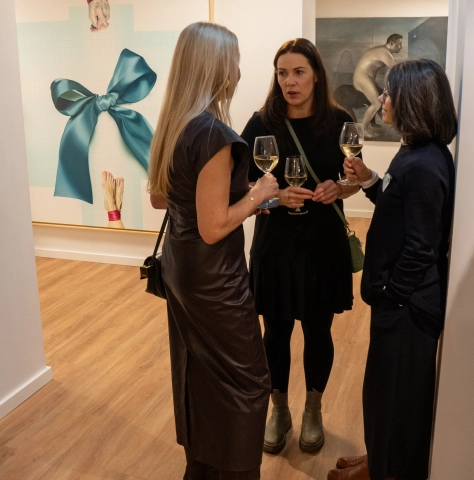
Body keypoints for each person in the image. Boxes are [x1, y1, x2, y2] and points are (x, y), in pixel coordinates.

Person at [148, 22, 279, 480]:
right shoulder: (212, 134)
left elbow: (161, 197)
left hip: (181, 268)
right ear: (219, 68)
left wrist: (233, 197)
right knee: (249, 381)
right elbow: (213, 227)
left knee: (199, 372)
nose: (239, 72)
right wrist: (257, 195)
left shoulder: (175, 125)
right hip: (214, 277)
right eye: (235, 62)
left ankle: (202, 467)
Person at [328, 58, 457, 480]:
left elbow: (421, 246)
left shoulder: (424, 164)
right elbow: (398, 211)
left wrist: (391, 295)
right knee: (386, 394)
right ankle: (377, 460)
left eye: (389, 92)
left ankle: (386, 470)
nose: (382, 98)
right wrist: (369, 179)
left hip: (408, 308)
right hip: (404, 305)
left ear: (412, 100)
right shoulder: (417, 153)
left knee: (397, 402)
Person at [241, 38, 359, 454]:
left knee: (317, 330)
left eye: (298, 72)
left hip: (322, 244)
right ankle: (279, 411)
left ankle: (312, 410)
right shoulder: (262, 123)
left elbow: (352, 180)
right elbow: (242, 187)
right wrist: (273, 198)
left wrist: (338, 189)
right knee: (275, 332)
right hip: (275, 245)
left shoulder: (340, 120)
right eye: (282, 73)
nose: (289, 82)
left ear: (316, 75)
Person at [353, 34, 402, 138]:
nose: (401, 47)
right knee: (376, 103)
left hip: (367, 79)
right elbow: (396, 69)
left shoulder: (384, 51)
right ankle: (363, 129)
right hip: (362, 78)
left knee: (382, 99)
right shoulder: (384, 52)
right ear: (391, 43)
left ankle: (392, 124)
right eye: (399, 44)